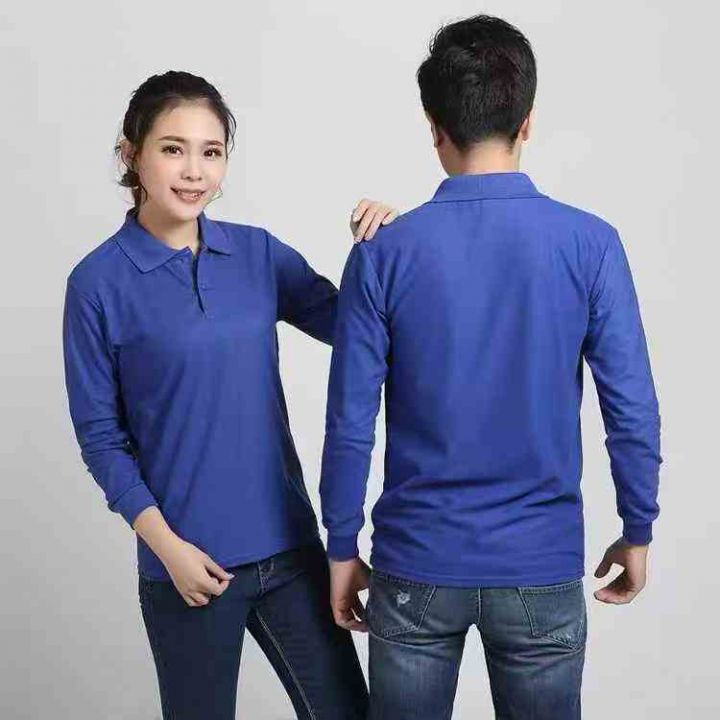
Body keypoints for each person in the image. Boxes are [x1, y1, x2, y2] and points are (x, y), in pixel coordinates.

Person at [319, 14, 662, 720]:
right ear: (527, 122)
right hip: (539, 562)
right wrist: (638, 528)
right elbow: (630, 408)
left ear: (434, 127)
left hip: (416, 564)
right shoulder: (591, 244)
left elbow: (350, 421)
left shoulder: (385, 252)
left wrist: (342, 545)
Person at [62, 70, 398, 720]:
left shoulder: (257, 254)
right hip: (189, 570)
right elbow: (100, 438)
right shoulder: (96, 284)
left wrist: (385, 247)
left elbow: (356, 327)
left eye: (211, 152)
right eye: (173, 148)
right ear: (131, 153)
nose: (194, 171)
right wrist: (168, 549)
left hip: (291, 553)